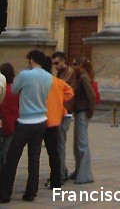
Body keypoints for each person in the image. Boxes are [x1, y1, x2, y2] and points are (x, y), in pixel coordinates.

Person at [0, 49, 53, 203]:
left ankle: (5, 194)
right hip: (41, 119)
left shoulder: (25, 75)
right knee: (34, 156)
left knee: (12, 157)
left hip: (26, 120)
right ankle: (31, 192)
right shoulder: (49, 77)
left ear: (31, 60)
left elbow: (15, 90)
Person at [41, 56, 74, 189]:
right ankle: (57, 178)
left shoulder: (42, 81)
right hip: (55, 118)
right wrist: (59, 102)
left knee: (36, 152)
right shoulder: (57, 80)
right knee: (54, 151)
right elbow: (69, 93)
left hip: (42, 119)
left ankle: (56, 176)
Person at [51, 51, 77, 183]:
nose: (54, 66)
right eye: (53, 63)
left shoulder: (69, 73)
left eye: (56, 63)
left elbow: (59, 87)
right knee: (58, 144)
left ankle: (60, 175)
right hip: (58, 111)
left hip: (65, 112)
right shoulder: (59, 74)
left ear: (63, 61)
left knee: (60, 144)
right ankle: (62, 171)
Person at [70, 58, 96, 184]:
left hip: (83, 112)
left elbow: (91, 96)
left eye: (76, 65)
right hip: (79, 111)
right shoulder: (79, 77)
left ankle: (85, 174)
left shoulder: (84, 78)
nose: (73, 67)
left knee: (82, 144)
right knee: (77, 144)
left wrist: (90, 112)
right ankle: (79, 170)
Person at [0, 63, 19, 178]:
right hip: (12, 123)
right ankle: (7, 178)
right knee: (8, 153)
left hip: (2, 121)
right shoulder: (15, 90)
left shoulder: (3, 89)